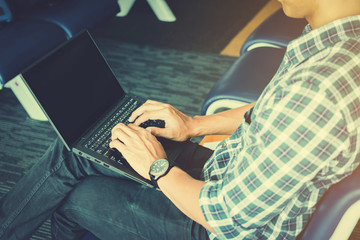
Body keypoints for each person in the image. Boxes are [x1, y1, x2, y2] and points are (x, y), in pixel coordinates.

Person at [1, 0, 360, 239]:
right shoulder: (337, 40)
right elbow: (267, 111)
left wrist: (157, 168)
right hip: (234, 169)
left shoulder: (319, 89)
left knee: (74, 199)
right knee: (79, 149)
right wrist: (193, 125)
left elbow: (227, 217)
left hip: (224, 222)